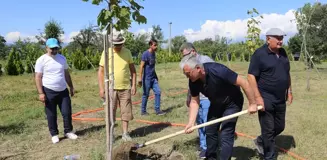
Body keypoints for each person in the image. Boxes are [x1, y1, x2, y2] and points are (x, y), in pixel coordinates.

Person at [180, 53, 258, 160]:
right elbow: (194, 102)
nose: (187, 76)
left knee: (226, 132)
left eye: (188, 74)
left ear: (198, 68)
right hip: (216, 103)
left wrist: (253, 103)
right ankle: (211, 157)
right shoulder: (193, 81)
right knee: (210, 130)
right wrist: (191, 122)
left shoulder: (218, 70)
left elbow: (243, 82)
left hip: (232, 102)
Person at [248, 28, 293, 159]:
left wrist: (289, 91)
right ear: (268, 39)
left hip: (280, 97)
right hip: (265, 97)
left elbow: (287, 73)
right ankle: (269, 156)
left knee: (280, 126)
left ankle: (260, 141)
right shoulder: (259, 54)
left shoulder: (283, 53)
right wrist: (257, 97)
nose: (281, 41)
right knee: (268, 130)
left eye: (282, 38)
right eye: (278, 38)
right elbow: (251, 76)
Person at [35, 38, 78, 144]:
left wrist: (71, 87)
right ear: (46, 48)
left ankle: (68, 131)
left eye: (56, 48)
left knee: (66, 112)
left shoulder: (62, 58)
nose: (54, 50)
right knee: (51, 114)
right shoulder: (41, 60)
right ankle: (54, 134)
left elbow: (66, 74)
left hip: (63, 90)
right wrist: (41, 93)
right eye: (52, 49)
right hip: (49, 91)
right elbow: (38, 77)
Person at [98, 32, 137, 141]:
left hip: (125, 87)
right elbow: (100, 72)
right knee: (111, 111)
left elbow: (133, 71)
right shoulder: (107, 53)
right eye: (116, 44)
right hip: (111, 88)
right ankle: (111, 134)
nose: (118, 46)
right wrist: (101, 88)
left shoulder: (127, 52)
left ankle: (125, 133)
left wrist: (133, 85)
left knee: (126, 110)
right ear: (112, 43)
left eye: (120, 44)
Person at [180, 42, 214, 159]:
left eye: (186, 55)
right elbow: (191, 82)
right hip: (196, 97)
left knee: (206, 122)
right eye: (183, 56)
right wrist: (189, 97)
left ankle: (209, 148)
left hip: (207, 97)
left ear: (193, 51)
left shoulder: (205, 60)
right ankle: (203, 146)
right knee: (199, 122)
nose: (185, 58)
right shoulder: (188, 63)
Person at [138, 39, 166, 116]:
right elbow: (141, 67)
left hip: (153, 78)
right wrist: (140, 78)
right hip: (146, 78)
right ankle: (143, 111)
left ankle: (157, 110)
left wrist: (156, 76)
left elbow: (152, 67)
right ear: (150, 45)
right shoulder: (145, 54)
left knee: (158, 92)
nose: (156, 47)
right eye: (154, 45)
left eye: (156, 45)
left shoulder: (154, 54)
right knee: (146, 94)